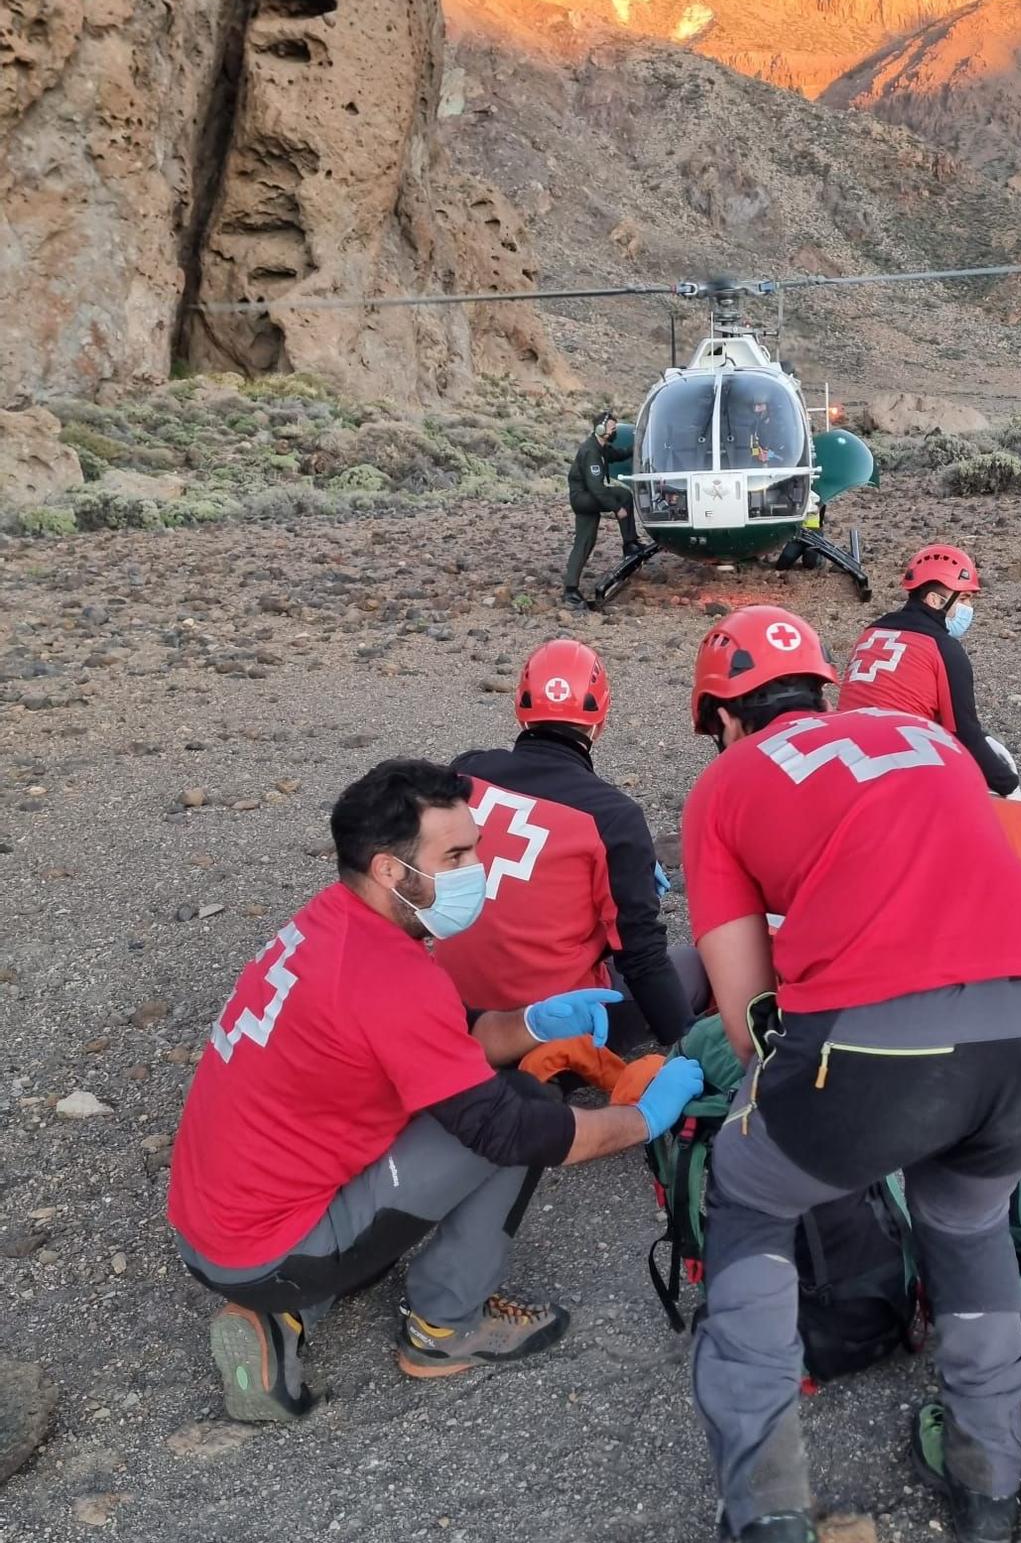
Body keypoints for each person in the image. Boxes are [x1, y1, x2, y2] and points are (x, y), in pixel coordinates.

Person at [680, 606, 1021, 1543]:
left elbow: (748, 1020)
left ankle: (771, 1519)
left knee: (750, 1193)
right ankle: (990, 1492)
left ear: (724, 717)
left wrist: (804, 1108)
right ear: (823, 689)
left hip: (879, 1048)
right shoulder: (931, 741)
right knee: (967, 1217)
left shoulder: (724, 785)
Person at [166, 757, 703, 1424]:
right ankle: (445, 1326)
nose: (477, 868)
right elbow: (502, 1130)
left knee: (480, 1091)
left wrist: (531, 1020)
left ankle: (284, 1316)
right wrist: (641, 1118)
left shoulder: (331, 924)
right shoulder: (390, 977)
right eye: (457, 855)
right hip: (266, 1248)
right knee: (527, 1106)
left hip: (211, 1225)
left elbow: (439, 1038)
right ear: (393, 871)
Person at [437, 638, 701, 1051]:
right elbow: (641, 956)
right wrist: (687, 1045)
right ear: (601, 717)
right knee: (694, 967)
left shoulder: (466, 772)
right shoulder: (612, 817)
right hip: (549, 1030)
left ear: (521, 710)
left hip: (456, 1013)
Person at [838, 543, 1020, 796]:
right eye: (964, 598)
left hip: (845, 760)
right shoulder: (943, 648)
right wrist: (1008, 784)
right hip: (896, 771)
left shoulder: (871, 632)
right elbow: (964, 732)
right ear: (935, 600)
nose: (969, 609)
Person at [564, 412, 642, 606]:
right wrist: (617, 509)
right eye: (612, 428)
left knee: (584, 543)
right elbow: (597, 489)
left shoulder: (600, 447)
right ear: (600, 429)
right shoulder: (591, 451)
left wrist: (638, 446)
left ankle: (570, 589)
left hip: (584, 499)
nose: (614, 431)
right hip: (584, 499)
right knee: (623, 496)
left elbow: (618, 454)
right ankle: (630, 543)